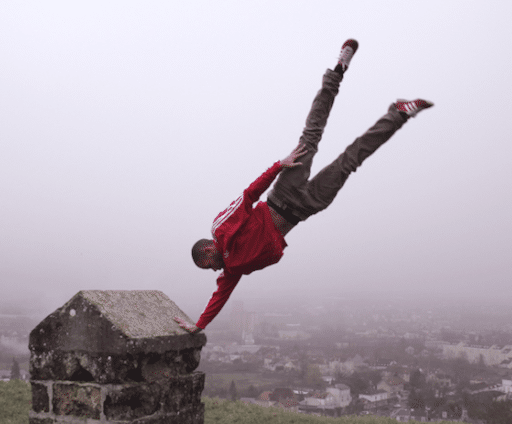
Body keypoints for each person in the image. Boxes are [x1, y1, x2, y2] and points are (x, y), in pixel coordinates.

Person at [174, 39, 433, 334]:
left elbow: (249, 196)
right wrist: (198, 326)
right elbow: (219, 298)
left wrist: (278, 166)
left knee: (311, 135)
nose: (214, 271)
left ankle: (337, 70)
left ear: (208, 251)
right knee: (350, 160)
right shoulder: (231, 272)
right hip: (305, 209)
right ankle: (398, 114)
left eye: (209, 265)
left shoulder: (221, 229)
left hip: (283, 193)